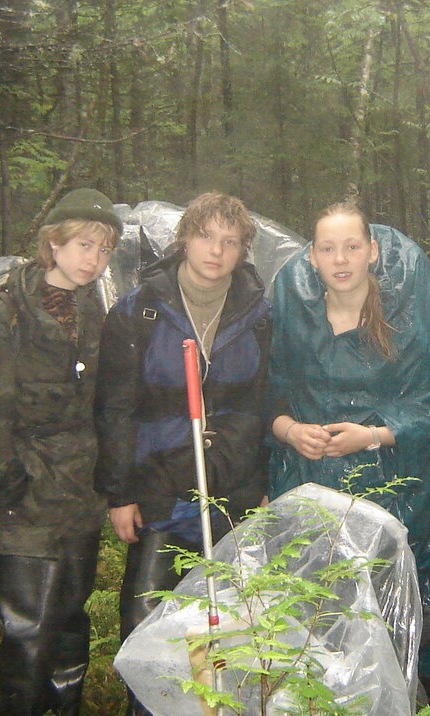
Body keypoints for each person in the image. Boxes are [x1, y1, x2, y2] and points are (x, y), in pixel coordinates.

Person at [267, 201, 430, 697]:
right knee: (317, 606)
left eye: (352, 247)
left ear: (372, 252)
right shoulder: (294, 317)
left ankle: (403, 694)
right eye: (328, 248)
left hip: (392, 486)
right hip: (308, 481)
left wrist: (375, 434)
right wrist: (290, 430)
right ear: (312, 257)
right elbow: (267, 395)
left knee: (388, 604)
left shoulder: (407, 320)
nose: (341, 259)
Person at [94, 192, 271, 716]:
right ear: (184, 238)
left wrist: (259, 481)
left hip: (232, 489)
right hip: (161, 487)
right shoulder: (141, 309)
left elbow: (263, 403)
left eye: (230, 241)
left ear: (242, 251)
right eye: (206, 236)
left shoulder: (259, 313)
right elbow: (115, 407)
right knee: (147, 618)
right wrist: (120, 492)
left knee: (227, 623)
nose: (216, 251)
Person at [0, 188, 121, 716]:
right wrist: (9, 485)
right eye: (84, 244)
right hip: (25, 494)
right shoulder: (6, 311)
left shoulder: (98, 310)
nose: (93, 259)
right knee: (27, 629)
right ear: (54, 242)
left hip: (81, 491)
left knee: (71, 621)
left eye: (104, 249)